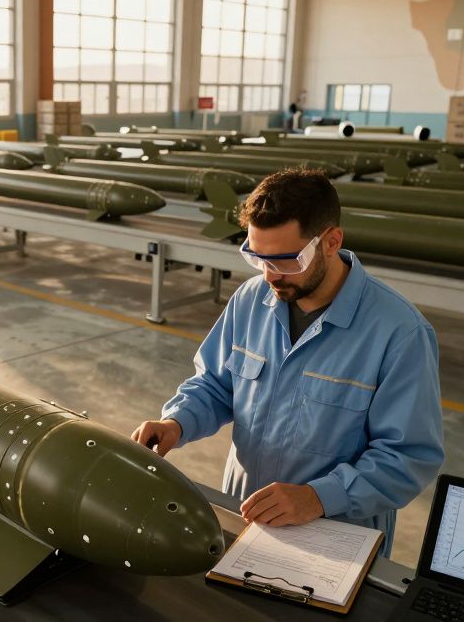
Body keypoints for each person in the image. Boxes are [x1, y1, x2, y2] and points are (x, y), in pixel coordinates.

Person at [131, 169, 444, 552]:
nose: (269, 275)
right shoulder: (250, 300)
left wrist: (318, 497)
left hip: (337, 533)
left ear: (331, 242)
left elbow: (408, 456)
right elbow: (216, 384)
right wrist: (176, 423)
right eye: (257, 257)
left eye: (285, 260)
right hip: (246, 512)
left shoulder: (399, 333)